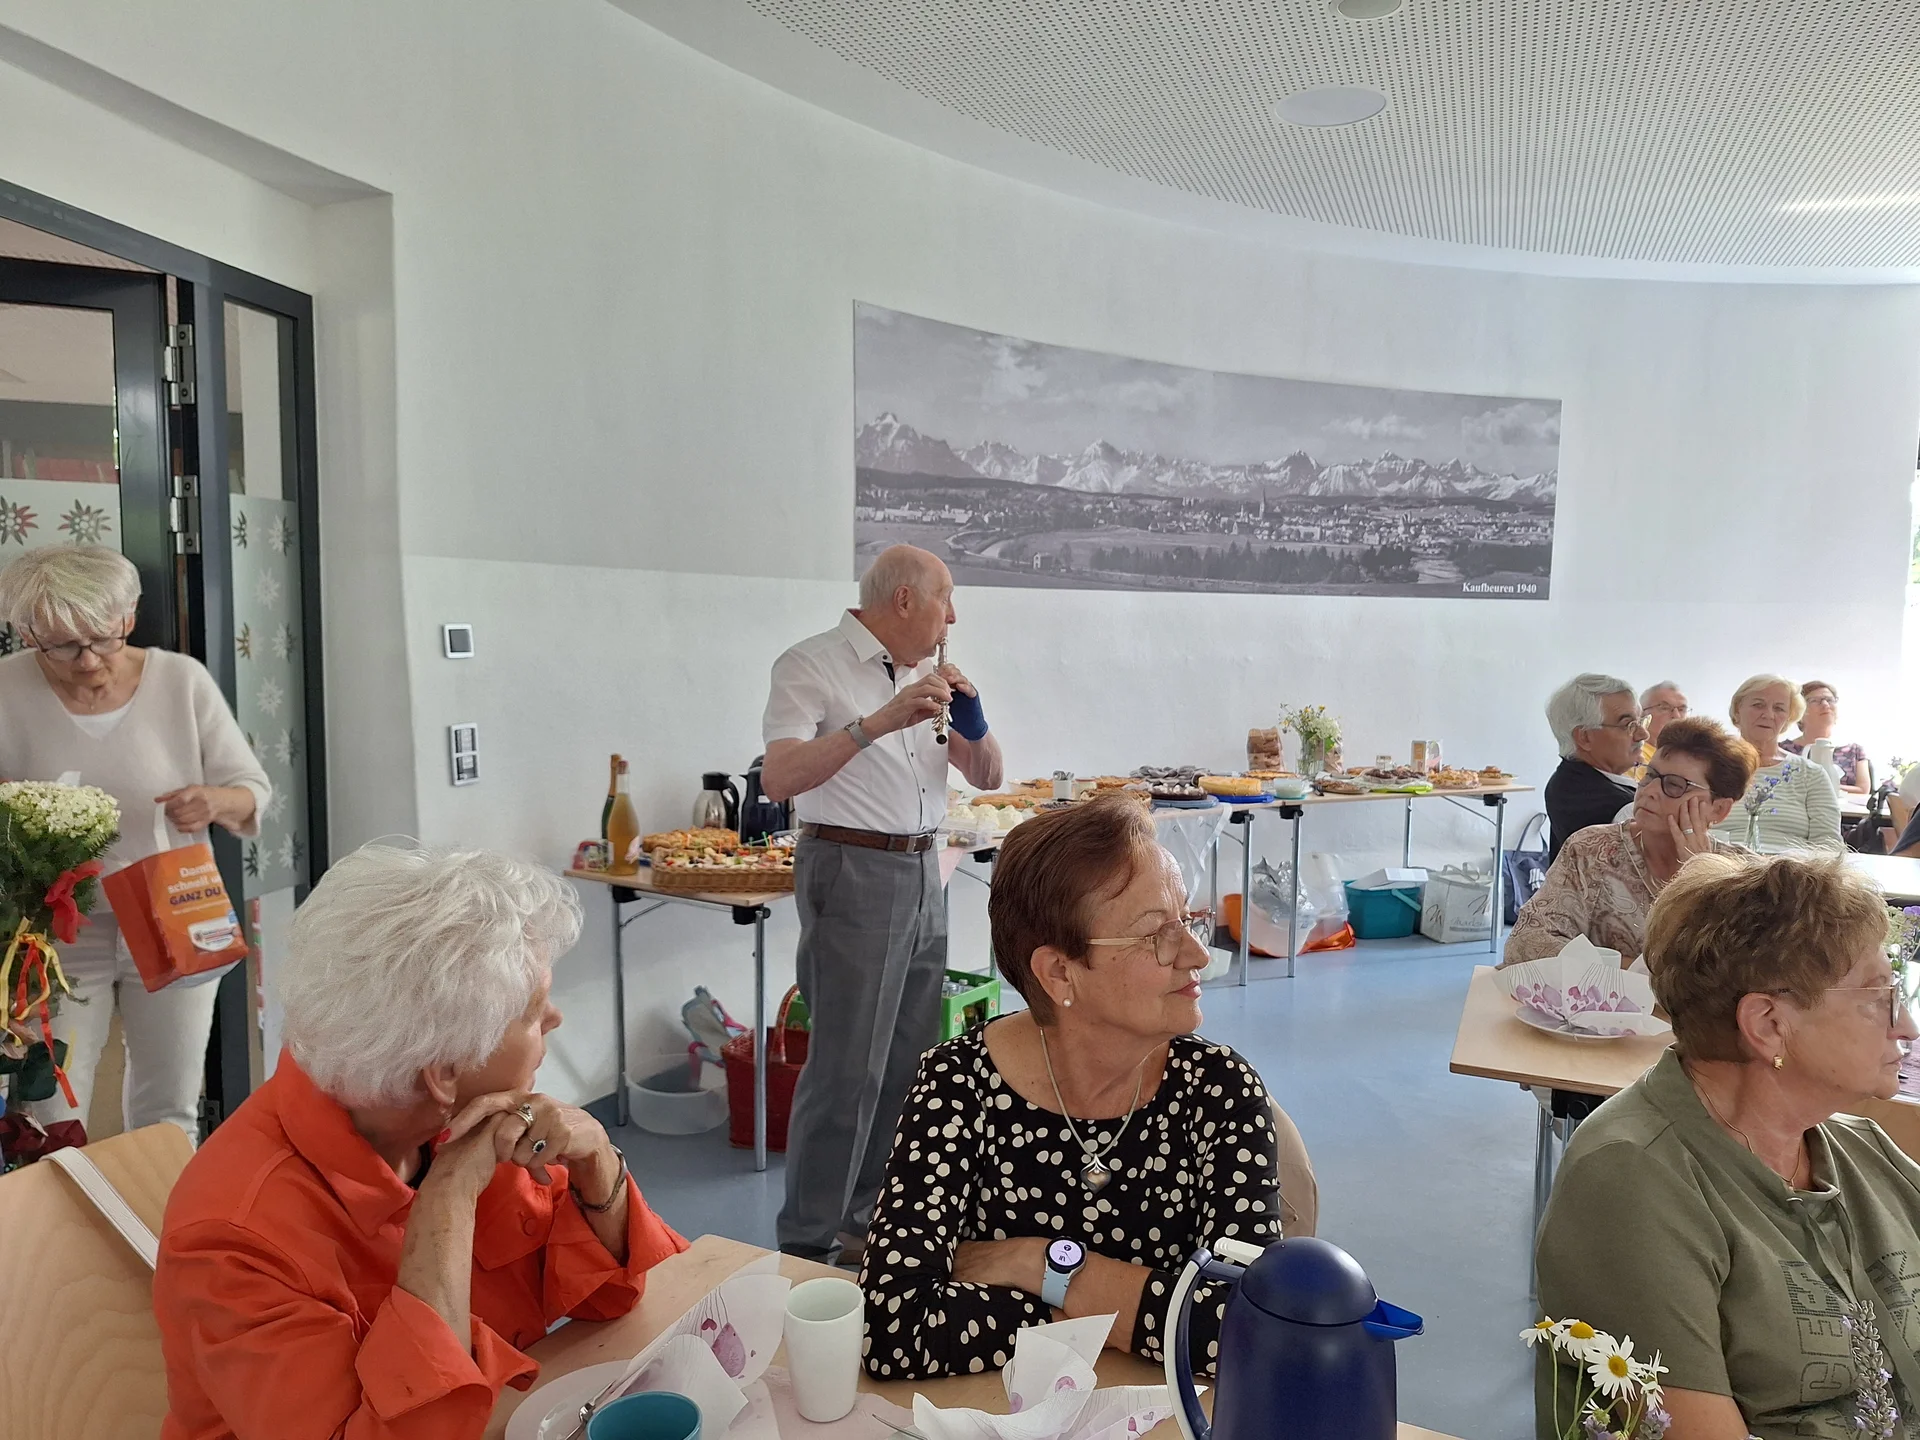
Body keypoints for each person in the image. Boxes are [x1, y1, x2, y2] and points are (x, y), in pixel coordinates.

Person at [154, 843, 685, 1440]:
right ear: (446, 1071)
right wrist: (448, 1202)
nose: (556, 1019)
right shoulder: (236, 1241)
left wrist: (598, 1164)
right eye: (535, 1012)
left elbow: (613, 1297)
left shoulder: (457, 1118)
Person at [861, 795, 1297, 1380]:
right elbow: (893, 1326)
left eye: (1187, 921)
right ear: (1058, 972)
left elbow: (1252, 1330)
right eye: (1154, 935)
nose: (1196, 954)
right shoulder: (956, 1083)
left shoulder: (1218, 1089)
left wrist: (1039, 1263)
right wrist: (1146, 1314)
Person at [1535, 853, 1920, 1439]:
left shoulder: (1857, 1148)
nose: (1907, 1027)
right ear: (1767, 1024)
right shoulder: (1631, 1182)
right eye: (1876, 998)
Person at [760, 545, 1005, 1264]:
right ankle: (804, 1246)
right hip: (851, 864)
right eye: (945, 598)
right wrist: (878, 721)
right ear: (904, 601)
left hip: (923, 865)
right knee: (846, 1069)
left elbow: (989, 778)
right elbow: (779, 777)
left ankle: (864, 1223)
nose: (953, 615)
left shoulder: (929, 677)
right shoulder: (810, 664)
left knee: (907, 1063)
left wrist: (975, 720)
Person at [0, 545, 270, 1139]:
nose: (88, 659)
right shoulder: (7, 688)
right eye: (63, 645)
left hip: (175, 910)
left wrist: (214, 800)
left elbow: (251, 789)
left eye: (103, 637)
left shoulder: (180, 680)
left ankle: (163, 1230)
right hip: (58, 928)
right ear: (26, 632)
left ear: (129, 616)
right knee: (48, 1102)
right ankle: (62, 1228)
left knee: (167, 1102)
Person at [1502, 718, 1753, 967]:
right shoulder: (1592, 849)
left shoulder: (1742, 875)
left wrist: (1701, 877)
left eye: (1674, 785)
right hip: (1596, 1005)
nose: (1650, 791)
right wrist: (1632, 971)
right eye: (1649, 775)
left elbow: (1741, 973)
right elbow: (1526, 943)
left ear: (1718, 810)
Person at [1709, 673, 1842, 854]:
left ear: (1788, 718)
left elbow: (1829, 844)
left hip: (1791, 874)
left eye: (1779, 708)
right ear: (1737, 710)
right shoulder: (1708, 767)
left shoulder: (1810, 774)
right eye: (1758, 705)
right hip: (1720, 868)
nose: (1768, 715)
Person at [1542, 674, 1643, 864]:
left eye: (1640, 722)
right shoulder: (1624, 810)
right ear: (1585, 738)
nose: (1642, 734)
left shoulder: (1565, 778)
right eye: (1628, 725)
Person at [1780, 679, 1870, 794]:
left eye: (1829, 700)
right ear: (1799, 711)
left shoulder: (1854, 750)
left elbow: (1863, 790)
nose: (1825, 704)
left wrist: (1820, 787)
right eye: (1815, 701)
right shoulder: (1783, 750)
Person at [1633, 681, 1689, 778]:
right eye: (1664, 708)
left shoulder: (1690, 759)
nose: (1676, 716)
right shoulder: (1633, 756)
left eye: (1681, 709)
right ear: (1641, 714)